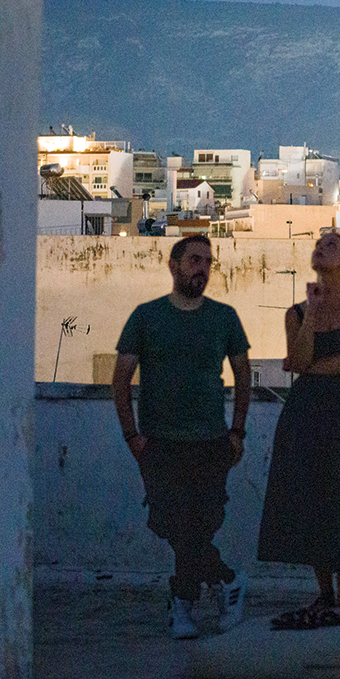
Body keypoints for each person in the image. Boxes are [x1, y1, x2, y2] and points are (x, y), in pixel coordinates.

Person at [111, 234, 251, 640]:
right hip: (159, 441)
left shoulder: (224, 318)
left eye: (207, 262)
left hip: (211, 441)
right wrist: (132, 436)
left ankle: (184, 604)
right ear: (173, 266)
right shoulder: (146, 316)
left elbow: (243, 377)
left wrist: (237, 432)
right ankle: (225, 581)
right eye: (193, 260)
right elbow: (120, 380)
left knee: (198, 524)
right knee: (172, 522)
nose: (201, 269)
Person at [257, 229, 340, 628]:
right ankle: (325, 593)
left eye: (331, 244)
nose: (321, 248)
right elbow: (296, 358)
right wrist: (311, 316)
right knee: (313, 500)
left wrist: (310, 369)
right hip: (306, 412)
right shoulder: (296, 313)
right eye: (318, 244)